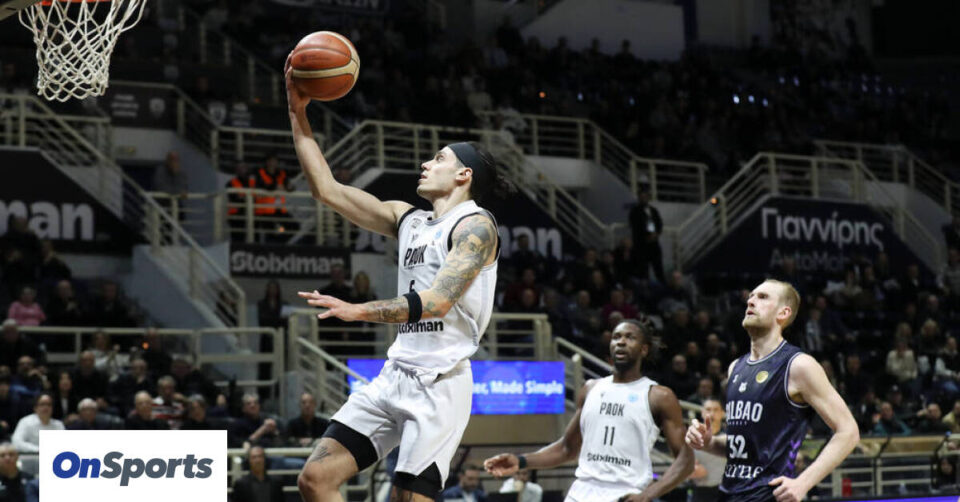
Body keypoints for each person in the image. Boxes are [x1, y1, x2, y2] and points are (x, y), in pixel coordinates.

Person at [288, 53, 508, 502]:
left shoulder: (475, 226)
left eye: (439, 158)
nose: (426, 163)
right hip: (394, 374)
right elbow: (326, 190)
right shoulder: (408, 219)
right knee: (315, 479)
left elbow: (437, 302)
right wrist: (297, 113)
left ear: (463, 175)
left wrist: (358, 311)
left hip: (440, 385)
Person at [686, 279, 859, 502]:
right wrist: (709, 442)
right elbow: (747, 446)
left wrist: (803, 482)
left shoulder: (798, 365)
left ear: (783, 313)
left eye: (763, 297)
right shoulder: (735, 368)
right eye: (751, 296)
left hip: (770, 496)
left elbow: (849, 431)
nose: (751, 301)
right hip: (729, 494)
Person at [484, 320, 695, 501]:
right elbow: (566, 449)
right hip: (580, 493)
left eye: (630, 337)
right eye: (616, 337)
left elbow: (686, 460)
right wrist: (521, 461)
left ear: (644, 349)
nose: (621, 342)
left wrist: (649, 494)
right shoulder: (591, 388)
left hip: (626, 494)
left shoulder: (658, 396)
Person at [689, 398, 726, 502]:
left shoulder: (729, 437)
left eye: (716, 410)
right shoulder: (693, 436)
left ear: (722, 413)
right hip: (700, 493)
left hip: (724, 492)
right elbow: (683, 468)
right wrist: (691, 470)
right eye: (708, 409)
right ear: (702, 412)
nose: (712, 414)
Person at [628, 187, 664, 283]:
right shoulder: (635, 211)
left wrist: (656, 234)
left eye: (646, 196)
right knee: (643, 271)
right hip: (642, 245)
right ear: (639, 197)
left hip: (654, 244)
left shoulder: (653, 210)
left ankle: (662, 286)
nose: (644, 198)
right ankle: (645, 287)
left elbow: (659, 223)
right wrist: (646, 237)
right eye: (642, 196)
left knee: (658, 268)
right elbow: (635, 226)